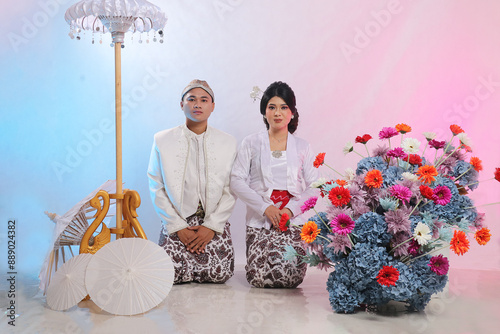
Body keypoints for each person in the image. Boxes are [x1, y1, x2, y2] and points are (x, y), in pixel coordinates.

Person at [148, 79, 237, 284]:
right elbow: (156, 184)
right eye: (191, 99)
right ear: (181, 104)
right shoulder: (162, 139)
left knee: (220, 273)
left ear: (212, 106)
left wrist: (211, 226)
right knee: (169, 275)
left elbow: (231, 188)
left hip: (212, 223)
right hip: (177, 223)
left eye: (204, 100)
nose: (198, 104)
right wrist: (177, 226)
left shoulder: (228, 142)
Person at [230, 81, 318, 288]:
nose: (277, 113)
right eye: (272, 107)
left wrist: (290, 210)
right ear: (264, 112)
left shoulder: (303, 146)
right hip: (260, 219)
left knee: (291, 278)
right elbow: (236, 179)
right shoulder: (251, 143)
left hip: (293, 220)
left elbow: (315, 185)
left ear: (292, 113)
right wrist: (265, 207)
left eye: (283, 107)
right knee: (259, 278)